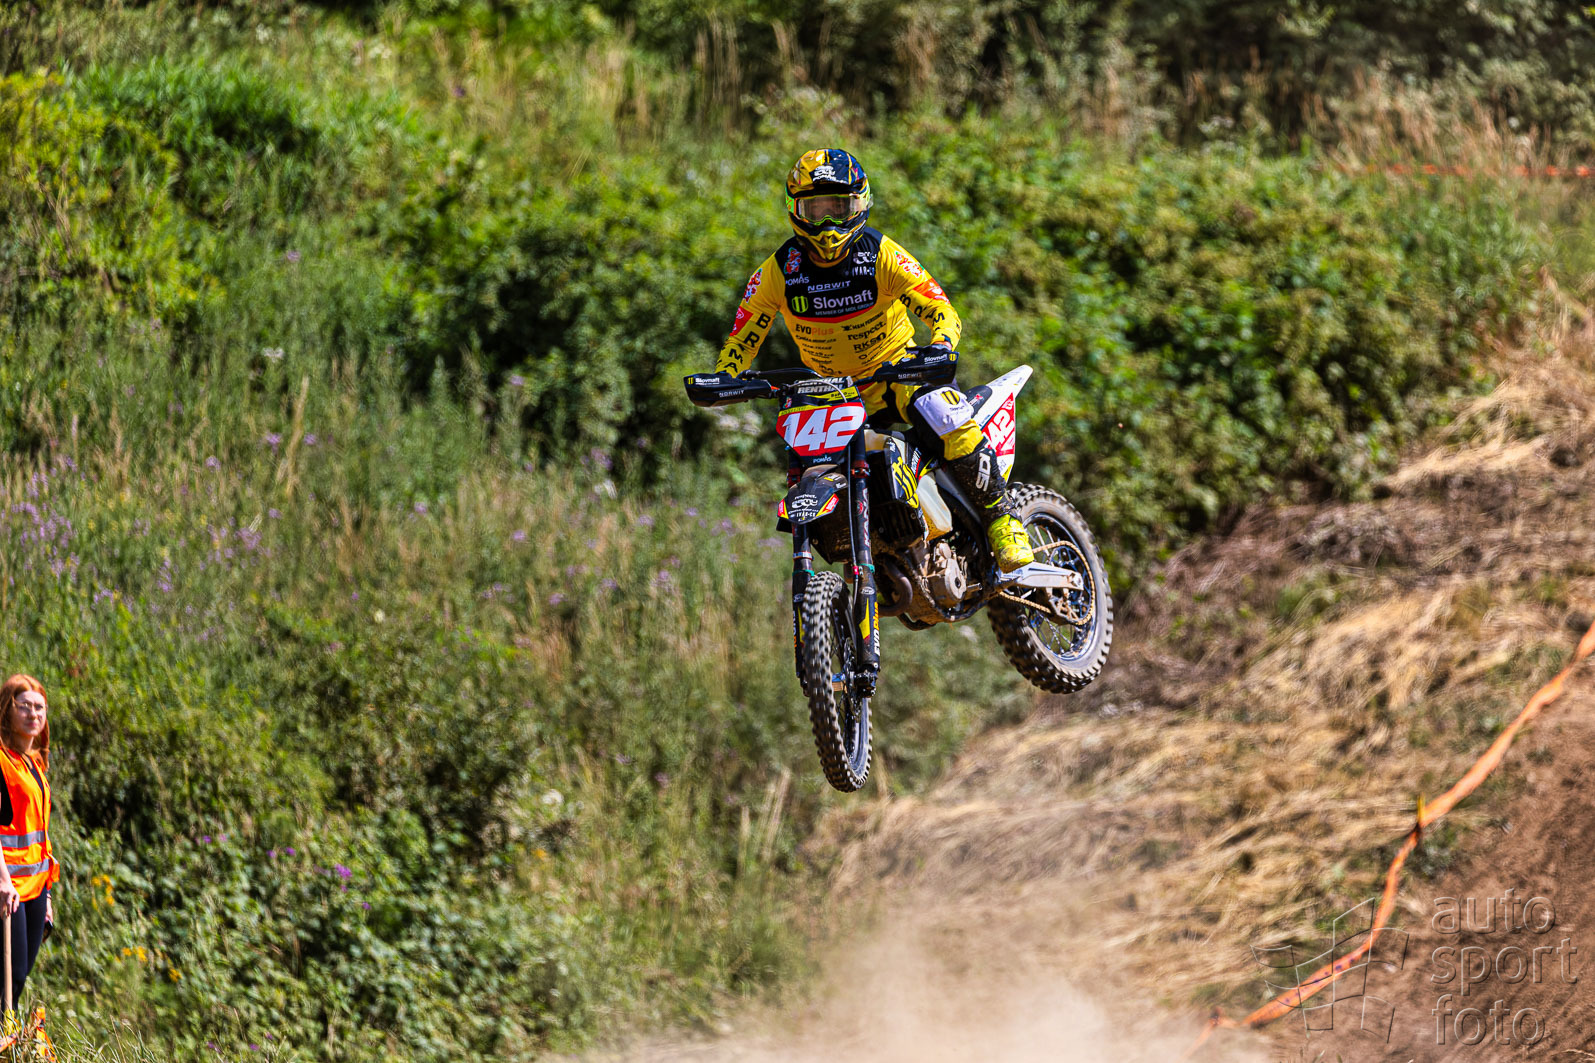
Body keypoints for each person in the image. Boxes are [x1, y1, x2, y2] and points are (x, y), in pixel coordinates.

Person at [712, 148, 1035, 571]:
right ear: (795, 210)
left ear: (859, 204)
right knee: (806, 461)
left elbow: (938, 306)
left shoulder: (881, 254)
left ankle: (1002, 518)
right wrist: (725, 377)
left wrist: (941, 345)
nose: (828, 224)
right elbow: (742, 338)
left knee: (944, 411)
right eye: (815, 210)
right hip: (832, 392)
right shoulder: (777, 271)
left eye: (838, 208)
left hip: (897, 373)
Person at [0, 675, 58, 1010]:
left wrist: (47, 893)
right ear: (7, 710)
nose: (33, 713)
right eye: (24, 706)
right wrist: (3, 881)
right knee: (11, 975)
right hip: (9, 887)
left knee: (19, 980)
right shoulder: (2, 761)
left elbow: (39, 833)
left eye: (40, 707)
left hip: (35, 887)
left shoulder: (34, 763)